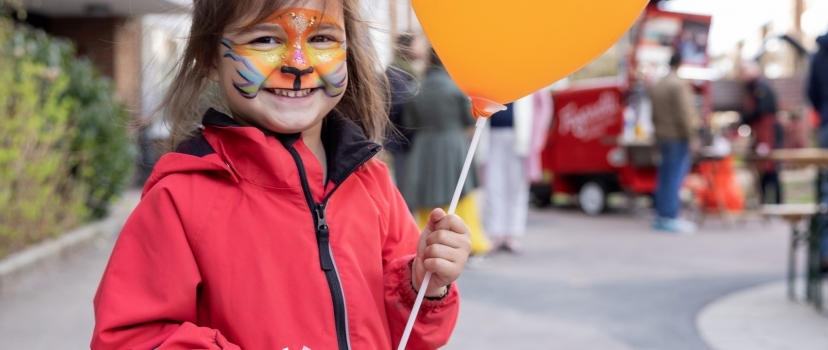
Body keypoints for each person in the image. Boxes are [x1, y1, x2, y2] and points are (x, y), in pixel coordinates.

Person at [91, 1, 472, 349]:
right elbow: (131, 337)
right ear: (209, 56)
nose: (298, 63)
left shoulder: (372, 184)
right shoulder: (181, 198)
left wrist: (425, 285)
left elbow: (412, 336)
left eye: (322, 38)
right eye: (265, 38)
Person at [402, 47, 491, 256]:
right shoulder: (455, 87)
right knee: (460, 193)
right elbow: (471, 118)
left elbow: (409, 122)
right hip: (453, 145)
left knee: (427, 195)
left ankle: (429, 241)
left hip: (424, 148)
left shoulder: (416, 88)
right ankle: (471, 242)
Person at [483, 91, 552, 253]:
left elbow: (544, 108)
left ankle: (512, 234)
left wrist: (537, 138)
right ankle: (496, 232)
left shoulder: (532, 77)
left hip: (521, 138)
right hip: (491, 135)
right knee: (493, 185)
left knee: (517, 187)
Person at [648, 53, 699, 234]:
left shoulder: (658, 84)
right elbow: (684, 114)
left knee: (664, 176)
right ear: (680, 64)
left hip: (662, 137)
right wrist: (692, 137)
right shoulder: (678, 84)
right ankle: (670, 216)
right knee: (674, 178)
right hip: (677, 137)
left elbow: (653, 115)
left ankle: (662, 214)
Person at [385, 33, 426, 188]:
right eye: (418, 45)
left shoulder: (404, 71)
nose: (421, 49)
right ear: (407, 47)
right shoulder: (398, 73)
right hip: (403, 142)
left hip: (404, 140)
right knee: (406, 187)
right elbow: (400, 107)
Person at [741, 60, 782, 204]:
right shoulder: (753, 87)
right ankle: (767, 203)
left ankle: (776, 203)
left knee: (770, 168)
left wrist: (745, 117)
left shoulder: (760, 87)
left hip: (766, 135)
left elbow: (762, 111)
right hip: (761, 134)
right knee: (765, 169)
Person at [807, 33, 828, 270]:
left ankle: (825, 254)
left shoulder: (819, 54)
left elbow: (811, 93)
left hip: (826, 124)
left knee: (826, 192)